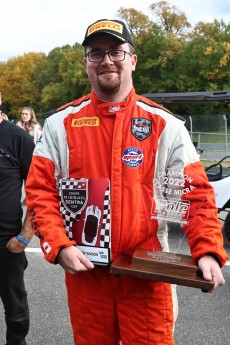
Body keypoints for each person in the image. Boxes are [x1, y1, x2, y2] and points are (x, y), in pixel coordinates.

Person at [25, 19, 228, 345]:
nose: (107, 60)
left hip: (146, 276)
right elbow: (39, 192)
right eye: (96, 53)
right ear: (86, 63)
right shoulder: (59, 125)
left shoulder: (165, 126)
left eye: (116, 51)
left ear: (132, 59)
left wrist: (207, 251)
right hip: (87, 276)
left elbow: (195, 197)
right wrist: (58, 245)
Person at [0, 112, 35, 345]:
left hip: (5, 242)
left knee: (16, 310)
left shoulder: (18, 138)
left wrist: (24, 236)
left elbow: (40, 190)